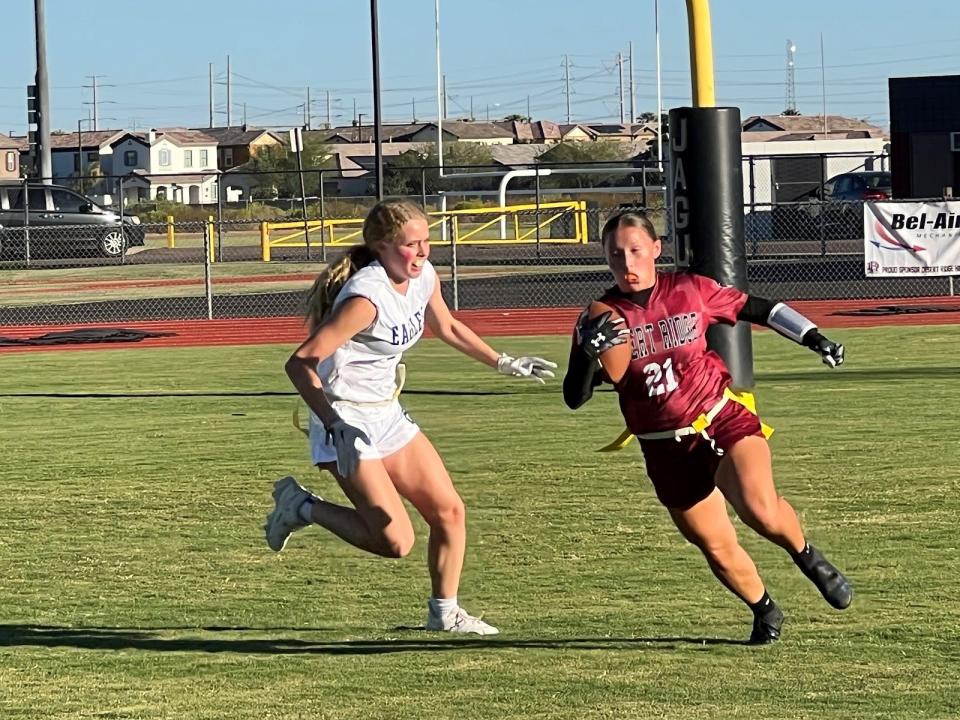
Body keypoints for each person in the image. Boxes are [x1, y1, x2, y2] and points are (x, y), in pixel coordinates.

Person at [265, 199, 556, 636]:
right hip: (345, 419)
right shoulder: (366, 298)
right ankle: (301, 507)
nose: (422, 253)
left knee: (450, 512)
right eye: (410, 244)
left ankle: (445, 613)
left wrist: (504, 362)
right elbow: (301, 362)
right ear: (381, 246)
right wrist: (333, 422)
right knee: (395, 542)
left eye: (426, 242)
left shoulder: (423, 279)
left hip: (387, 413)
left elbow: (449, 327)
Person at [562, 210, 852, 644]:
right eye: (616, 254)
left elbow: (759, 307)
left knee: (758, 508)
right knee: (715, 545)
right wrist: (586, 354)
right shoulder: (601, 317)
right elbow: (574, 397)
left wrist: (813, 336)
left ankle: (806, 555)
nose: (627, 263)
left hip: (718, 418)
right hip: (662, 446)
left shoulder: (688, 290)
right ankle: (765, 609)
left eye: (636, 251)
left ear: (656, 249)